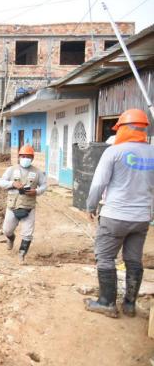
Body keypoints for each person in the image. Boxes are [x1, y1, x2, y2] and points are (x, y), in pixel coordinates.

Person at [84, 109, 154, 318]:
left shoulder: (114, 152)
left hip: (115, 216)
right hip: (142, 218)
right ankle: (130, 304)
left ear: (123, 128)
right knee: (133, 260)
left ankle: (106, 303)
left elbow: (98, 184)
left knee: (105, 257)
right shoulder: (153, 152)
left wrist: (90, 206)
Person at [0, 144, 48, 262]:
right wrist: (12, 184)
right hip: (12, 206)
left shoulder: (37, 172)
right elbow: (1, 182)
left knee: (27, 233)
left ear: (32, 158)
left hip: (28, 207)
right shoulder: (11, 170)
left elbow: (44, 186)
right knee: (6, 230)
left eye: (29, 156)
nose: (26, 158)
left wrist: (36, 191)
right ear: (19, 156)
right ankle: (11, 238)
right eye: (23, 156)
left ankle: (22, 254)